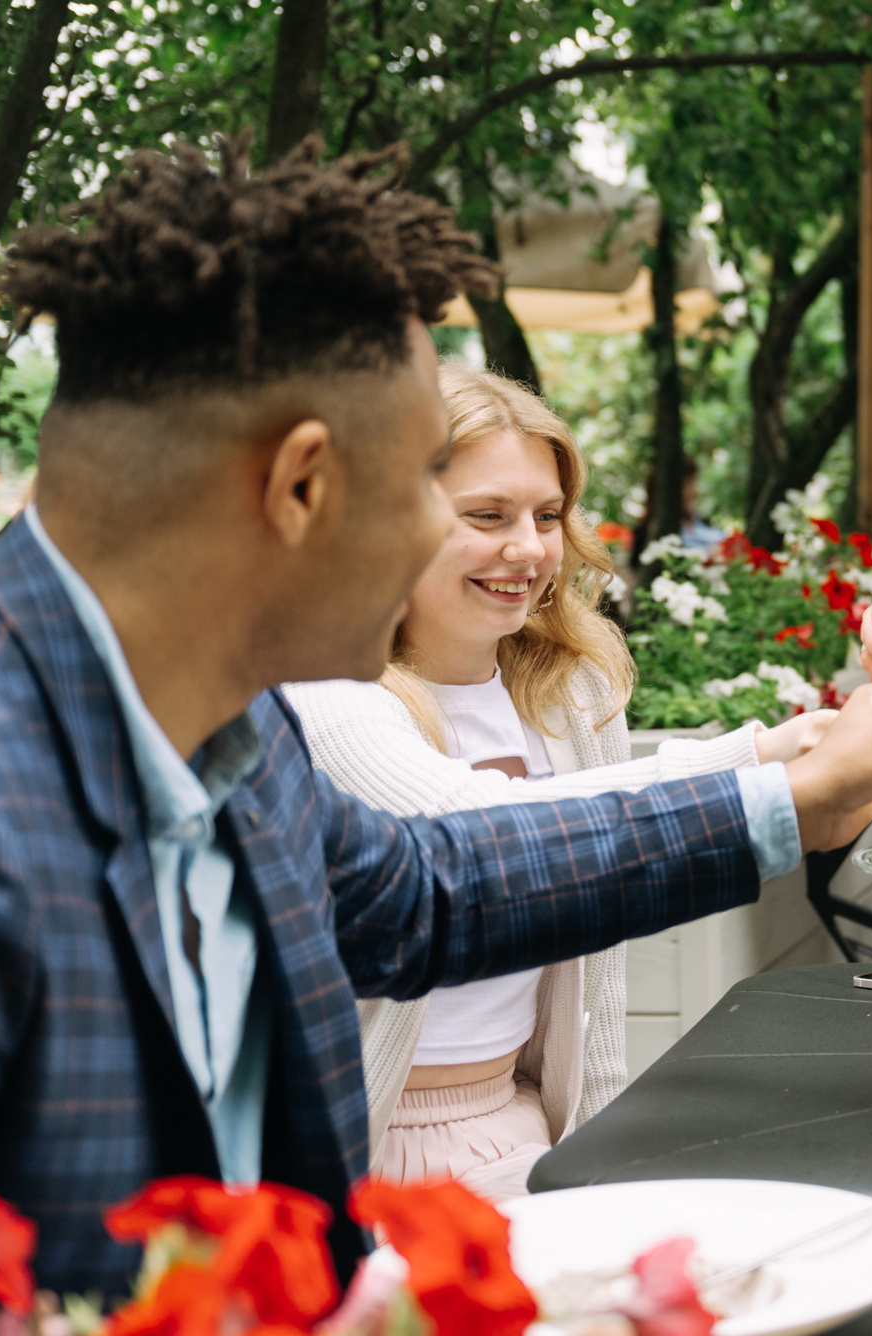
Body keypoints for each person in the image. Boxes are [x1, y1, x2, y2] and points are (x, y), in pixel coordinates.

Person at [0, 140, 872, 1326]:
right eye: (421, 494)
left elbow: (427, 891)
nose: (487, 549)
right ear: (300, 488)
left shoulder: (226, 726)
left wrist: (790, 799)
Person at [285, 366, 834, 1199]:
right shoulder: (327, 696)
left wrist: (598, 1163)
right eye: (486, 517)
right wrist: (762, 761)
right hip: (355, 1155)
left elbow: (596, 991)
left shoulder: (570, 691)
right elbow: (478, 839)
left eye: (547, 516)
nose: (531, 549)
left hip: (518, 1126)